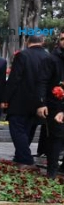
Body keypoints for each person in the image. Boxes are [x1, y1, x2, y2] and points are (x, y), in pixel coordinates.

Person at [4, 34, 49, 169]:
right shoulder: (48, 56)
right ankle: (20, 156)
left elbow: (14, 79)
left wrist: (5, 98)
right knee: (28, 130)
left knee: (17, 129)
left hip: (20, 100)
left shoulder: (22, 55)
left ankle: (26, 159)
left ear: (26, 41)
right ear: (43, 41)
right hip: (40, 102)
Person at [37, 31, 64, 178]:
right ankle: (52, 171)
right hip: (55, 104)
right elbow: (42, 82)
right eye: (62, 39)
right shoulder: (51, 59)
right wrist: (42, 103)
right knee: (56, 138)